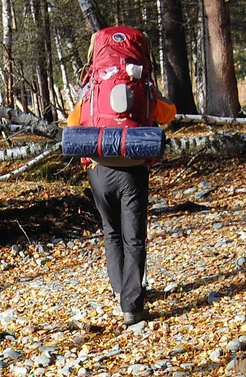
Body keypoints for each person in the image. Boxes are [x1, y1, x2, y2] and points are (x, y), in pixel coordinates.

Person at [66, 31, 175, 327]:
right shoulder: (140, 84)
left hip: (99, 169)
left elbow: (73, 123)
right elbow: (168, 114)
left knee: (111, 232)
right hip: (134, 167)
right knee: (134, 237)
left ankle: (119, 289)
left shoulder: (94, 85)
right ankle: (132, 305)